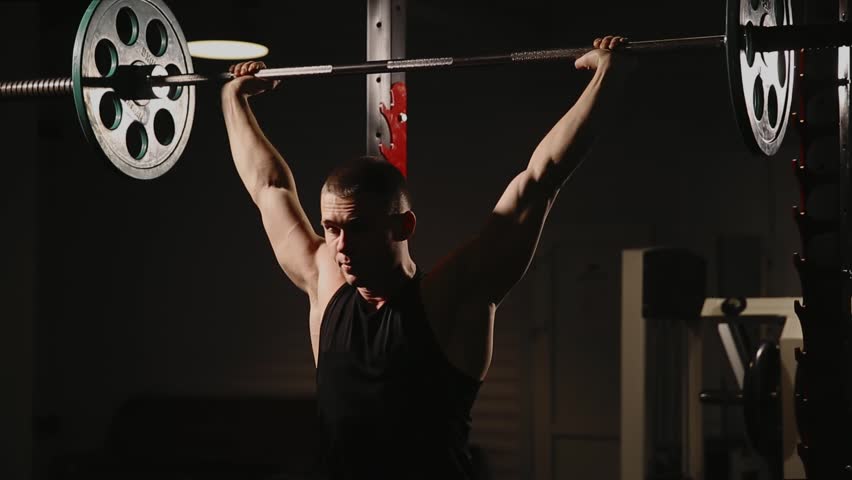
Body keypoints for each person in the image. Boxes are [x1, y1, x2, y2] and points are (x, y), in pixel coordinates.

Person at [221, 35, 632, 480]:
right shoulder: (324, 282)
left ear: (403, 227)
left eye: (357, 229)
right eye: (331, 228)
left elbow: (539, 181)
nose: (340, 245)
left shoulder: (449, 300)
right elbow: (269, 189)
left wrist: (607, 76)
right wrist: (233, 99)